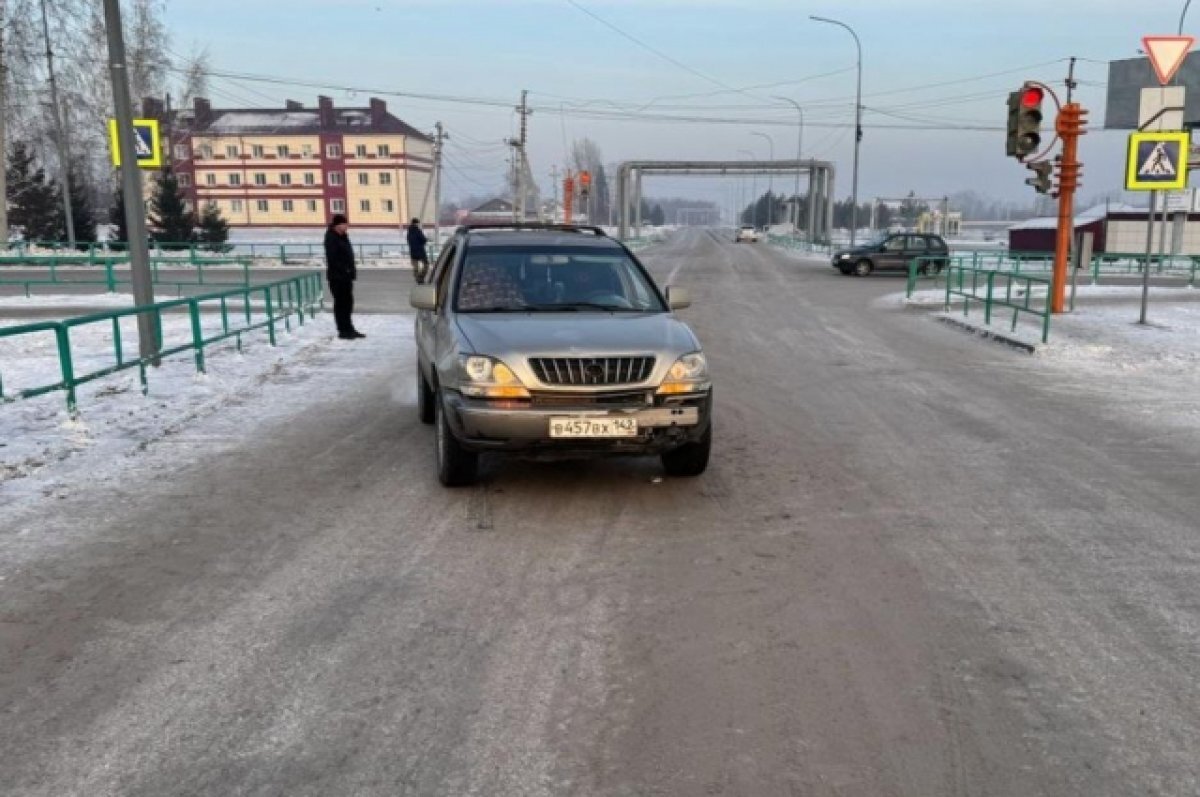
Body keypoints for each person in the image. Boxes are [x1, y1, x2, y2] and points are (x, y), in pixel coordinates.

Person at [324, 214, 364, 339]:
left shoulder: (343, 237)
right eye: (344, 224)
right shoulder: (331, 238)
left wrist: (350, 271)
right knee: (341, 304)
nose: (347, 226)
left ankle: (349, 328)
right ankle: (343, 330)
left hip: (346, 277)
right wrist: (345, 269)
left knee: (347, 303)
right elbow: (333, 259)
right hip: (337, 277)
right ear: (338, 225)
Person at [407, 218, 430, 284]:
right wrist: (424, 241)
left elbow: (409, 242)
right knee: (426, 265)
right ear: (417, 223)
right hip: (420, 251)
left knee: (415, 267)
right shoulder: (418, 231)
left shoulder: (409, 232)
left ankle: (418, 279)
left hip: (413, 252)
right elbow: (423, 240)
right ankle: (421, 277)